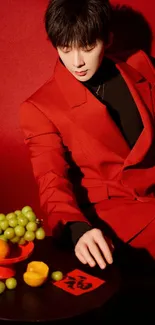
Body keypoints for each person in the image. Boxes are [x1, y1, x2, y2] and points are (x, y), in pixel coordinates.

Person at [20, 0, 155, 271]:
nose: (77, 62)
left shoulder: (143, 65)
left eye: (88, 47)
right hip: (113, 219)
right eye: (65, 49)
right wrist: (77, 229)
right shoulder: (39, 107)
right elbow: (51, 180)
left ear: (108, 39)